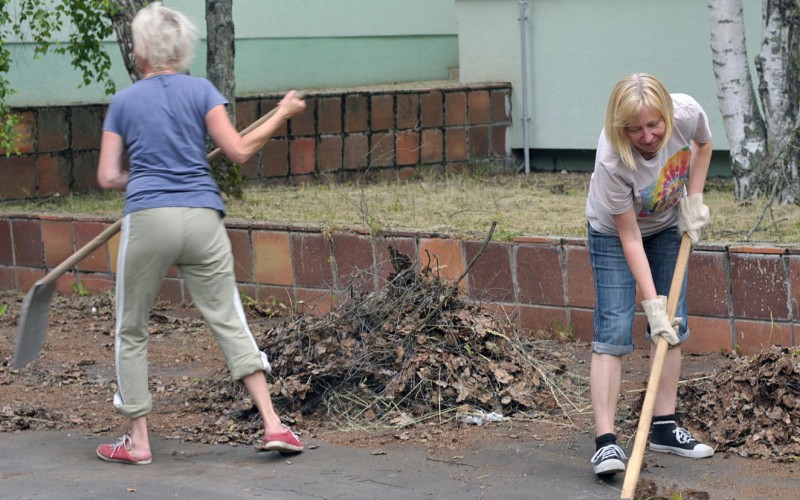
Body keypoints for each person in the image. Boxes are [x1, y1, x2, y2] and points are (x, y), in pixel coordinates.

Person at [94, 2, 307, 465]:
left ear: (140, 51)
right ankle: (274, 424)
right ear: (182, 48)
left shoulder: (125, 102)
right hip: (202, 216)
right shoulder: (201, 90)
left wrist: (146, 176)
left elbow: (108, 176)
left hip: (149, 218)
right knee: (229, 318)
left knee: (131, 328)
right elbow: (238, 151)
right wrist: (282, 113)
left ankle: (139, 440)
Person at [585, 73, 714, 476]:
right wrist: (651, 301)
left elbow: (704, 145)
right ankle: (606, 444)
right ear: (620, 127)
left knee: (671, 324)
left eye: (654, 125)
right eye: (635, 129)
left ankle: (663, 426)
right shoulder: (611, 159)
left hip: (665, 226)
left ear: (667, 114)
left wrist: (694, 199)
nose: (647, 136)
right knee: (613, 328)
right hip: (615, 234)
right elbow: (629, 238)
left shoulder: (687, 112)